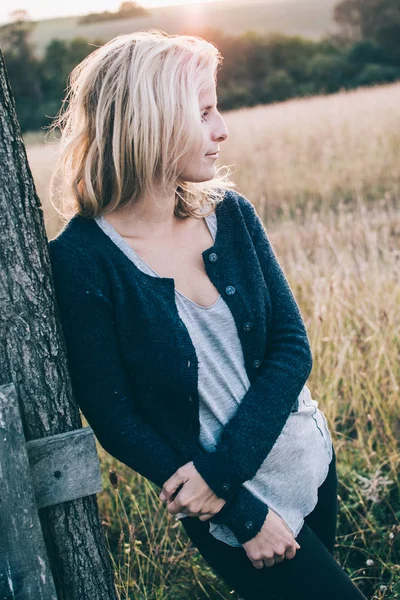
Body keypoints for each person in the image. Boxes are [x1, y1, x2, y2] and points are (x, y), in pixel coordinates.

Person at [47, 30, 367, 599]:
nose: (222, 129)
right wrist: (240, 512)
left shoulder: (231, 214)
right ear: (152, 121)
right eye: (204, 112)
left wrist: (219, 475)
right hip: (231, 515)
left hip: (308, 461)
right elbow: (116, 417)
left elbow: (291, 349)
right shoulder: (82, 261)